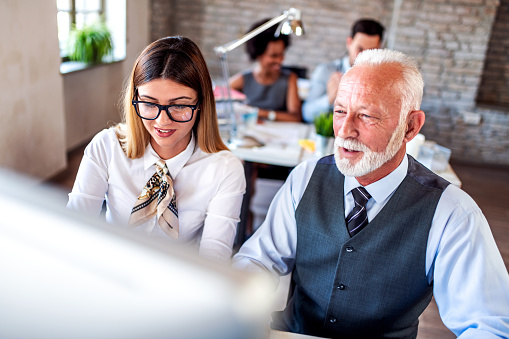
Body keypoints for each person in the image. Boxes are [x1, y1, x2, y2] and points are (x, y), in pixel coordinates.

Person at [233, 49, 509, 338]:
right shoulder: (305, 178)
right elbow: (258, 260)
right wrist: (243, 313)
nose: (345, 131)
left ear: (410, 126)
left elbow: (490, 325)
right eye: (340, 111)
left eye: (366, 116)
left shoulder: (452, 212)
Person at [68, 36, 246, 262]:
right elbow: (74, 228)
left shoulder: (224, 169)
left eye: (179, 105)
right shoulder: (107, 146)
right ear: (135, 99)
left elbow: (214, 259)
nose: (162, 122)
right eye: (150, 104)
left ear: (200, 103)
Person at [302, 18, 384, 123]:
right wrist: (329, 99)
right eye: (360, 49)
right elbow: (307, 114)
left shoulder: (382, 80)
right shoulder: (325, 71)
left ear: (379, 48)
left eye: (371, 50)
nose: (365, 56)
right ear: (349, 43)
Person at [229, 18, 302, 122]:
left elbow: (295, 117)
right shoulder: (244, 79)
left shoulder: (290, 79)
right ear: (258, 54)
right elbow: (217, 96)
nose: (280, 60)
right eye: (274, 56)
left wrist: (259, 112)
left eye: (282, 54)